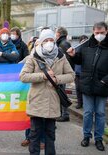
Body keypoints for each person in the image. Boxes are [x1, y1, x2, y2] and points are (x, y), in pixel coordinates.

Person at [20, 29, 75, 155]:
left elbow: (71, 75)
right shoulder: (33, 57)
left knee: (50, 135)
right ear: (41, 42)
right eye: (46, 40)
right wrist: (43, 76)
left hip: (53, 101)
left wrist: (57, 79)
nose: (49, 42)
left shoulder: (61, 57)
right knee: (34, 134)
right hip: (37, 101)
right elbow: (23, 76)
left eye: (51, 40)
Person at [67, 22, 108, 151]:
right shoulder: (86, 45)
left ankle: (99, 138)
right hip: (88, 85)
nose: (99, 35)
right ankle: (86, 136)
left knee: (100, 113)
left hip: (102, 86)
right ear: (93, 31)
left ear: (106, 31)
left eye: (102, 33)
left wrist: (104, 81)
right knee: (88, 113)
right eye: (97, 33)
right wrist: (73, 55)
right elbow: (80, 60)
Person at [55, 27, 74, 122]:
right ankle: (61, 113)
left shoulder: (63, 44)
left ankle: (65, 114)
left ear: (58, 34)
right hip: (62, 73)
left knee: (61, 94)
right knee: (60, 93)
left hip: (62, 74)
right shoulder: (63, 43)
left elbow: (66, 60)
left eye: (56, 33)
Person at [75, 35, 88, 109]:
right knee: (78, 89)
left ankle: (85, 103)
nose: (83, 42)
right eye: (82, 40)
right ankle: (79, 103)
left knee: (84, 89)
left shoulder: (89, 49)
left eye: (85, 40)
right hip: (77, 73)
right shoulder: (77, 48)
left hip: (85, 73)